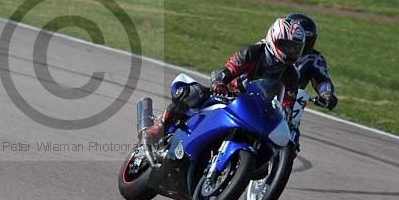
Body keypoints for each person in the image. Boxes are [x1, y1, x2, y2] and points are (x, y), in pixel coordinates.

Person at [142, 17, 306, 141]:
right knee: (192, 93)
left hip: (256, 110)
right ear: (274, 38)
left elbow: (287, 106)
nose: (291, 51)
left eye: (295, 48)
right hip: (229, 95)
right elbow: (229, 69)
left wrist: (286, 123)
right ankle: (160, 125)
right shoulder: (253, 52)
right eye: (287, 46)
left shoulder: (292, 75)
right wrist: (219, 82)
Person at [285, 13, 337, 111]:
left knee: (292, 126)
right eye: (300, 39)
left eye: (308, 40)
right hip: (265, 96)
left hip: (290, 105)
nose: (303, 44)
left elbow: (321, 79)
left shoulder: (313, 58)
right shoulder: (270, 49)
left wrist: (326, 94)